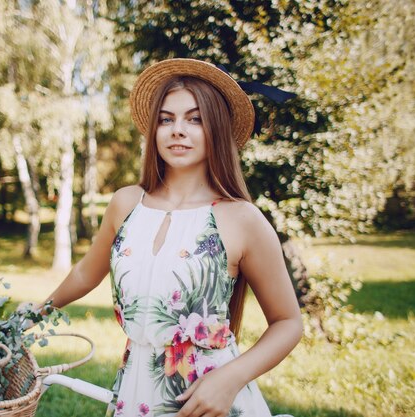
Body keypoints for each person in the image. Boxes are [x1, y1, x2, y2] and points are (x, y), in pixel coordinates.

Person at [33, 58, 302, 417]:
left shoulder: (241, 219)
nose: (178, 130)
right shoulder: (126, 203)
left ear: (217, 130)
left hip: (209, 400)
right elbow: (86, 272)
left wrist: (230, 380)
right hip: (137, 392)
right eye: (166, 119)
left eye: (195, 119)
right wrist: (36, 312)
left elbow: (288, 322)